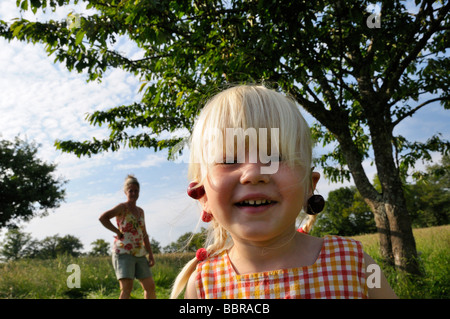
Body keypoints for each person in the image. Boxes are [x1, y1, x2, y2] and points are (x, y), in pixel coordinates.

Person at [170, 85, 397, 299]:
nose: (253, 173)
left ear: (310, 184)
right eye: (229, 159)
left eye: (276, 157)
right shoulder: (202, 286)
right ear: (203, 196)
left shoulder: (359, 266)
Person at [99, 175, 156, 299]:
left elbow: (144, 234)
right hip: (123, 252)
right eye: (131, 191)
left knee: (150, 286)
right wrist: (117, 231)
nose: (134, 193)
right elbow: (103, 218)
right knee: (127, 289)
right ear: (125, 192)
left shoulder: (141, 211)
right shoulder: (122, 208)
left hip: (140, 253)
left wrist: (150, 254)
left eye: (136, 191)